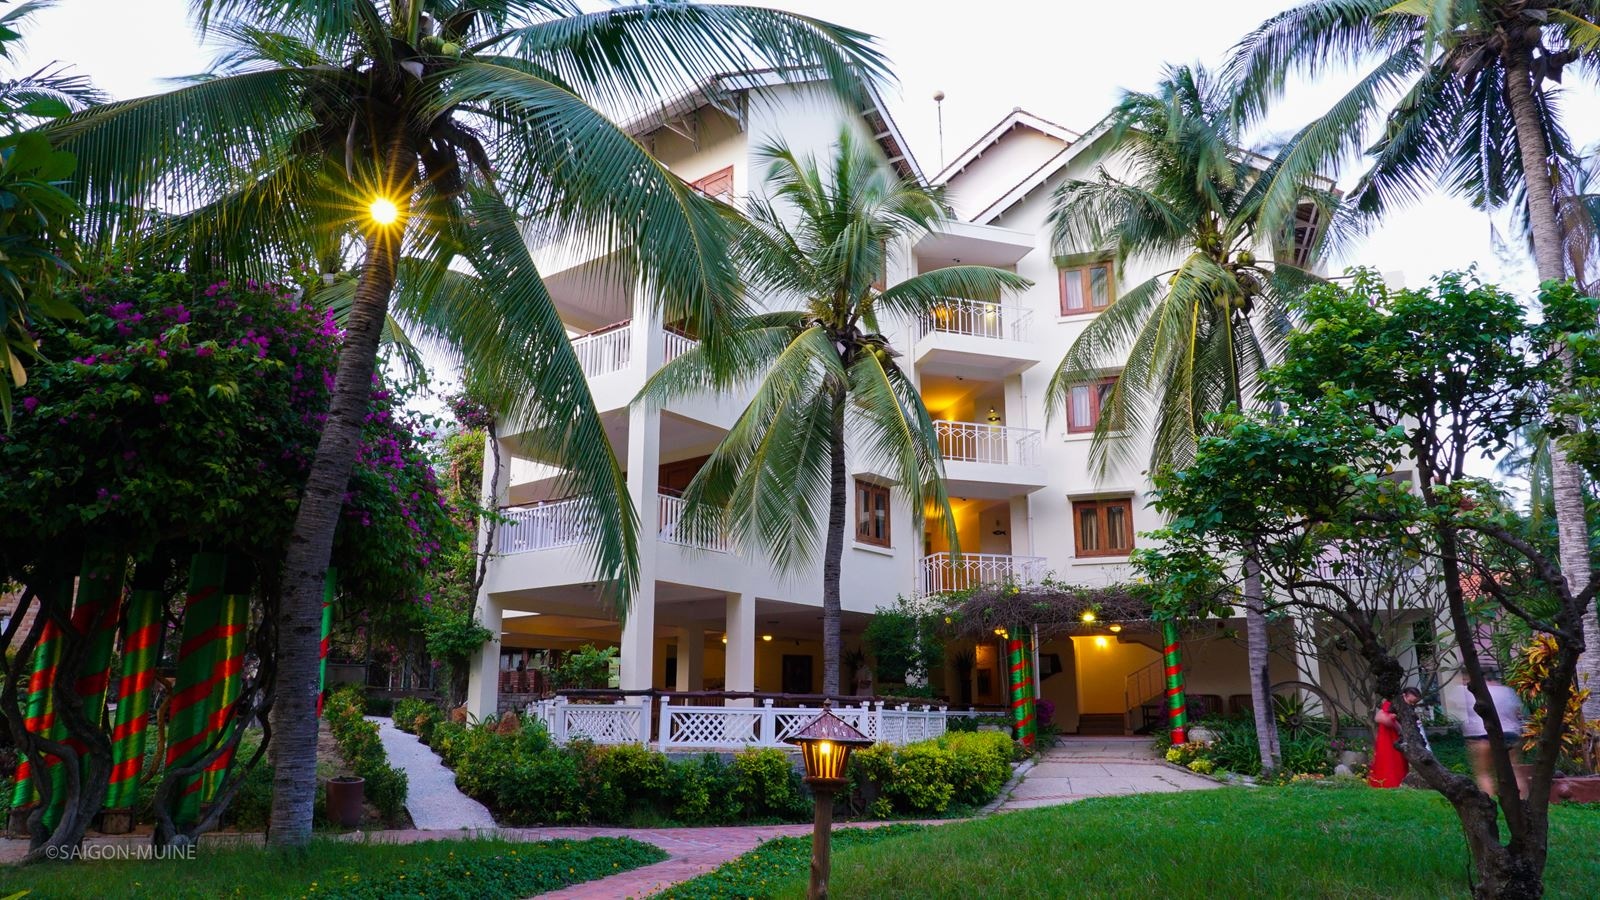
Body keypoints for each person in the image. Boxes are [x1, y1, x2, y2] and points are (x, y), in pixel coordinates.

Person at [1460, 671, 1527, 797]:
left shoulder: (1470, 692)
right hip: (1510, 734)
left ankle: (1489, 800)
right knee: (1515, 771)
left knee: (1483, 773)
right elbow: (1518, 712)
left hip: (1482, 736)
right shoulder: (1507, 691)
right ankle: (1522, 800)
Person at [1368, 695, 1407, 788]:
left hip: (1393, 737)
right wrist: (1396, 722)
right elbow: (1382, 718)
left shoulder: (1402, 707)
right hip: (1388, 737)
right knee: (1388, 757)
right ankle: (1389, 782)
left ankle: (1397, 781)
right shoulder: (1390, 705)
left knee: (1396, 759)